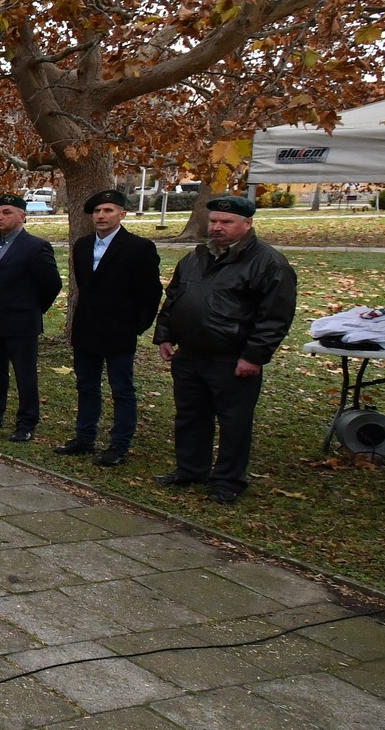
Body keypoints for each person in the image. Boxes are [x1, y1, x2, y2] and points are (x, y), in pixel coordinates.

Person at [152, 195, 297, 504]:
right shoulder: (195, 258)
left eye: (226, 222)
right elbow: (174, 297)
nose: (217, 227)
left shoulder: (268, 263)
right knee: (190, 415)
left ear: (247, 224)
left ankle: (228, 481)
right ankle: (190, 469)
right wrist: (165, 334)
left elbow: (275, 316)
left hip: (232, 358)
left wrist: (253, 356)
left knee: (234, 422)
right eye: (214, 221)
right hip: (190, 354)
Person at [59, 188, 164, 466]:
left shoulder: (139, 248)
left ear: (122, 214)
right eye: (97, 211)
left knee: (122, 389)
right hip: (87, 329)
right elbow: (85, 286)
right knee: (86, 385)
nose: (101, 216)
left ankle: (119, 444)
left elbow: (151, 293)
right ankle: (85, 437)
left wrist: (136, 326)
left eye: (108, 210)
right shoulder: (82, 246)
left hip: (119, 331)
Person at [0, 194, 61, 441]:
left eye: (7, 212)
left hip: (21, 324)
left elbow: (52, 284)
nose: (0, 217)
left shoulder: (35, 246)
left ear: (22, 216)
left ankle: (26, 422)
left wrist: (31, 309)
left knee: (25, 375)